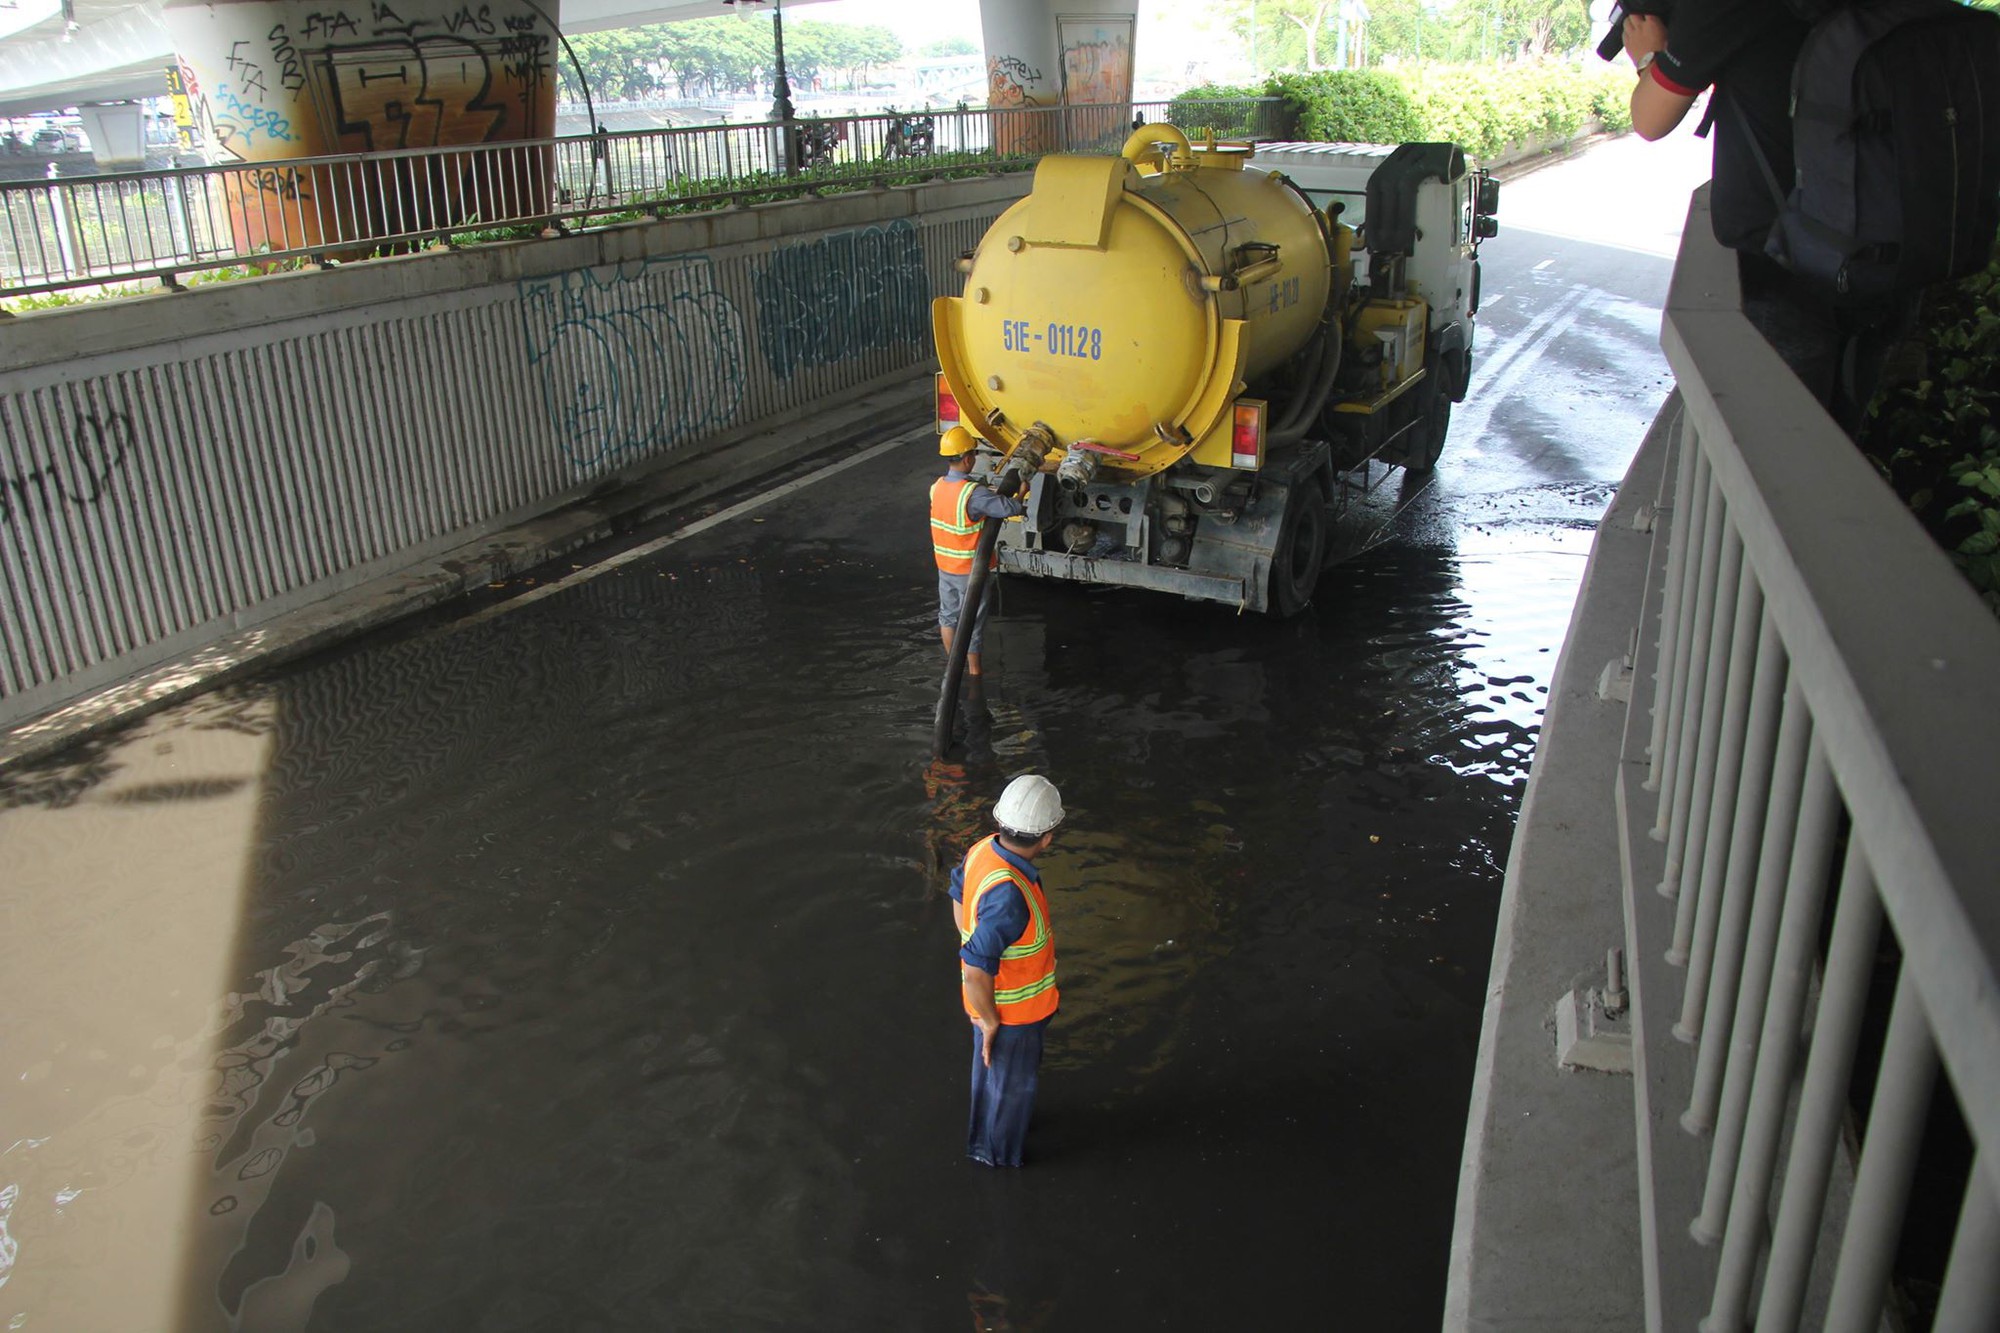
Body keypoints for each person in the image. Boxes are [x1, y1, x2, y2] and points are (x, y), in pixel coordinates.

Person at [951, 773, 1065, 1167]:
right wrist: (990, 1021)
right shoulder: (1010, 897)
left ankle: (986, 1143)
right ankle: (997, 1159)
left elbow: (958, 893)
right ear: (1047, 837)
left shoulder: (984, 850)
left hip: (992, 1006)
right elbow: (974, 966)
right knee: (1011, 1090)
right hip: (1011, 1016)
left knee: (991, 1078)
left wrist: (983, 1014)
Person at [930, 426, 1025, 678]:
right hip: (970, 572)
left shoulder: (937, 487)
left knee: (948, 616)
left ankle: (954, 667)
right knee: (971, 623)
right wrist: (1022, 493)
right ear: (968, 458)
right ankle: (974, 672)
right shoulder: (973, 494)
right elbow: (1008, 507)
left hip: (945, 566)